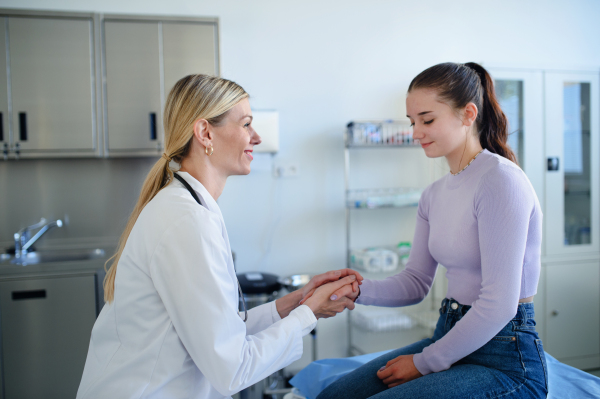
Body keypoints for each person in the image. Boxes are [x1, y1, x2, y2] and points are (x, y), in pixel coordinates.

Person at [76, 74, 363, 399]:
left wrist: (296, 302)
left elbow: (218, 329)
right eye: (246, 124)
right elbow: (234, 369)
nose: (255, 137)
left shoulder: (188, 206)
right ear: (205, 132)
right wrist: (307, 314)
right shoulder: (187, 219)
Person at [317, 62, 548, 399]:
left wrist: (425, 362)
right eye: (413, 122)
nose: (415, 133)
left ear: (468, 114)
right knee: (333, 396)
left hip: (505, 359)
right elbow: (414, 283)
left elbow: (499, 305)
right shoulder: (434, 194)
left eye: (427, 120)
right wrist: (353, 290)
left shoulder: (500, 180)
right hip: (449, 335)